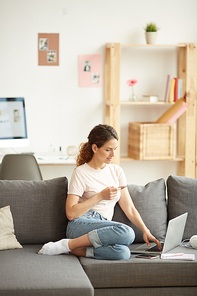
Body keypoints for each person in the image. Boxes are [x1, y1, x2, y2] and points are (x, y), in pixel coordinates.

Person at [38, 124, 161, 260]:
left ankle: (71, 249)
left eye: (115, 149)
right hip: (81, 224)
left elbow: (129, 208)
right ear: (95, 148)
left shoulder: (117, 171)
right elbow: (71, 213)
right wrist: (100, 196)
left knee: (123, 253)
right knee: (127, 233)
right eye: (108, 150)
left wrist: (145, 230)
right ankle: (68, 244)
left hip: (103, 229)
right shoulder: (80, 173)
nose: (113, 154)